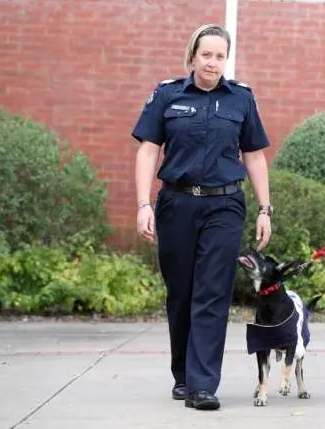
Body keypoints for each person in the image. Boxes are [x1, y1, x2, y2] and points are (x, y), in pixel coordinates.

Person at [131, 23, 273, 411]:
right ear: (192, 56)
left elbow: (255, 155)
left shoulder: (240, 99)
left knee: (212, 292)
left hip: (224, 206)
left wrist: (265, 208)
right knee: (181, 293)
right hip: (176, 204)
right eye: (206, 55)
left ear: (227, 59)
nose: (213, 63)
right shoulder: (167, 95)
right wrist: (144, 204)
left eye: (220, 56)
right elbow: (147, 150)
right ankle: (184, 375)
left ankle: (203, 385)